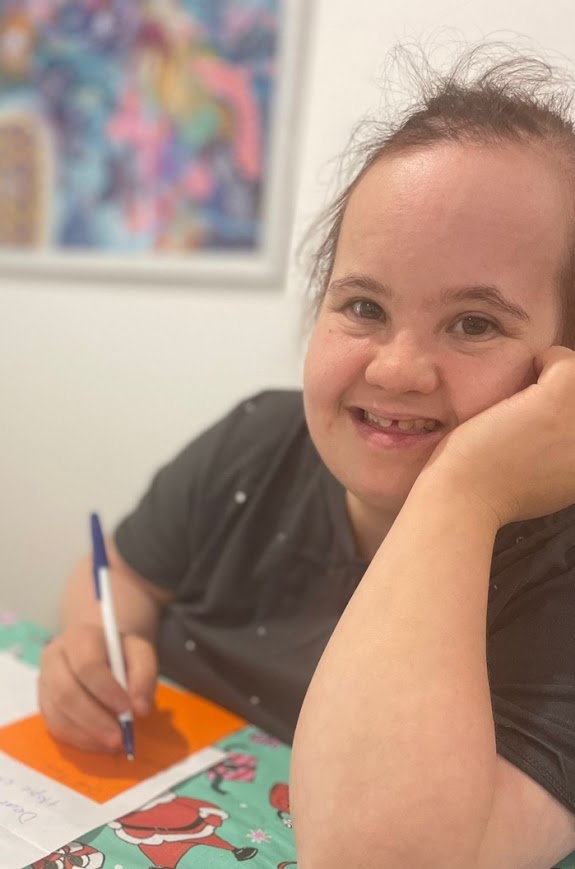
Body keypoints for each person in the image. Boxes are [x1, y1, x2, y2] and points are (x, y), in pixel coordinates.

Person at [39, 45, 575, 867]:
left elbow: (388, 855)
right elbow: (120, 571)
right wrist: (91, 643)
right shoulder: (259, 438)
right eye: (362, 305)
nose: (395, 369)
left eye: (474, 322)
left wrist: (464, 491)